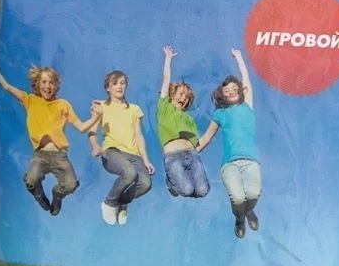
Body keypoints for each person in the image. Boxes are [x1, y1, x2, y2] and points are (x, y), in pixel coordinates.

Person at [0, 59, 100, 215]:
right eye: (43, 82)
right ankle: (39, 196)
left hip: (60, 156)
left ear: (56, 86)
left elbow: (82, 127)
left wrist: (96, 116)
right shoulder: (30, 100)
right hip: (40, 155)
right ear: (37, 84)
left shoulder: (63, 105)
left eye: (51, 82)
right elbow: (7, 87)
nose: (47, 86)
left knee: (71, 185)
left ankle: (57, 196)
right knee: (31, 180)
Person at [197, 49, 261, 238]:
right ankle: (240, 219)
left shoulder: (247, 105)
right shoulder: (220, 114)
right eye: (227, 91)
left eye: (234, 88)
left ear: (240, 91)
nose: (231, 91)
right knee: (238, 198)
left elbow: (246, 79)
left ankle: (249, 212)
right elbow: (206, 137)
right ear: (222, 96)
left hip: (250, 162)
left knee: (253, 195)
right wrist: (191, 152)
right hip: (229, 164)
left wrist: (239, 57)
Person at [89, 70, 155, 225]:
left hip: (134, 155)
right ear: (108, 88)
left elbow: (139, 136)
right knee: (129, 172)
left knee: (146, 184)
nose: (119, 86)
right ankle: (110, 203)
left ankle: (122, 201)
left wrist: (146, 160)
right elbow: (92, 131)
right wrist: (95, 145)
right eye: (115, 83)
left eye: (122, 83)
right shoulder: (102, 106)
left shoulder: (135, 109)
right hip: (112, 152)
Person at [157, 46, 210, 198]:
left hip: (192, 155)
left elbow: (197, 143)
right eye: (181, 94)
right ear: (172, 95)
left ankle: (190, 184)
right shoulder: (165, 107)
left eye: (187, 98)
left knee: (202, 191)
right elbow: (166, 79)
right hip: (173, 156)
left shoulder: (189, 119)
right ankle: (170, 182)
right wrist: (168, 59)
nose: (183, 98)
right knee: (186, 190)